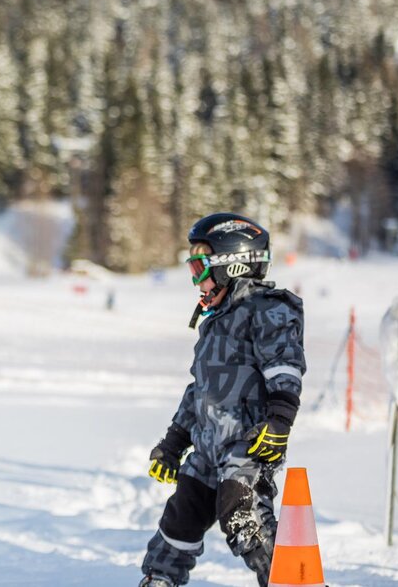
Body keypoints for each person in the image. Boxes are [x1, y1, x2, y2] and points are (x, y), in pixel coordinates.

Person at [140, 213, 306, 587]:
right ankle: (160, 578)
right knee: (181, 514)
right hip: (208, 446)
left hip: (248, 442)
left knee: (242, 512)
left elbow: (286, 369)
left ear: (233, 264)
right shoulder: (215, 320)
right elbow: (198, 390)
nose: (195, 279)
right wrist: (173, 443)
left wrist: (279, 422)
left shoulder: (267, 310)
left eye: (200, 267)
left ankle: (289, 580)